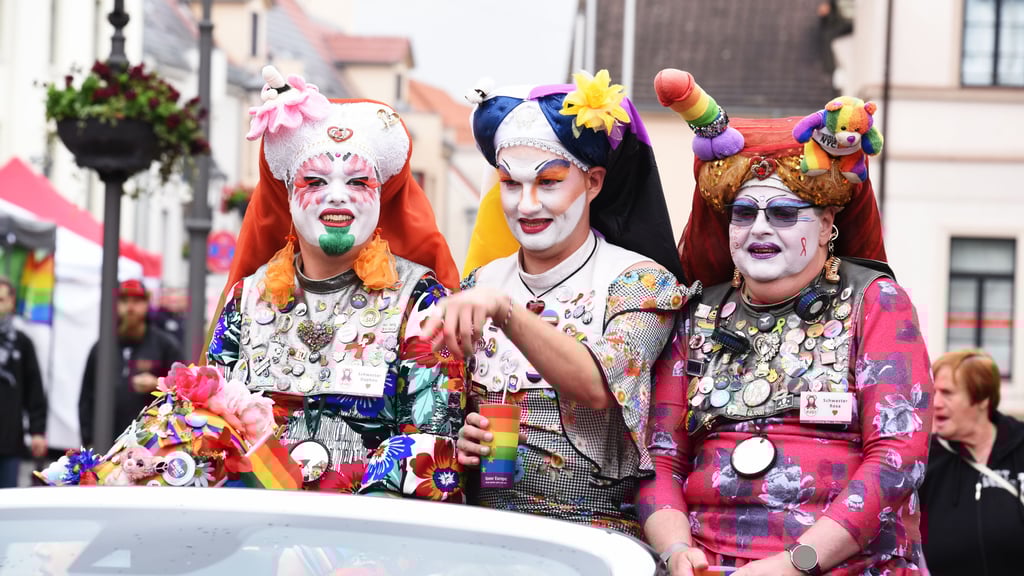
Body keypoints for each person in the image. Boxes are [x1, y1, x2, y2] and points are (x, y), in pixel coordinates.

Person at [639, 69, 932, 575]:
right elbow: (659, 458)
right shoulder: (695, 314)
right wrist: (676, 553)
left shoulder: (877, 303)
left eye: (782, 213)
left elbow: (897, 457)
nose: (758, 228)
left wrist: (795, 565)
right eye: (743, 212)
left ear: (826, 224)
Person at [436, 70, 690, 537]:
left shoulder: (640, 282)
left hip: (595, 536)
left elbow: (596, 385)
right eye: (511, 184)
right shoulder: (480, 283)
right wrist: (461, 438)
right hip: (486, 532)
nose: (526, 205)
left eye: (549, 182)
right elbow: (443, 407)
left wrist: (507, 313)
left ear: (593, 182)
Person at [206, 66, 464, 500]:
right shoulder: (246, 299)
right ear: (289, 195)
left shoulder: (422, 303)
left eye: (358, 182)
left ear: (379, 196)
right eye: (315, 181)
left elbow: (434, 443)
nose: (337, 195)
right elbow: (210, 427)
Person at [919, 349, 1024, 576]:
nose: (936, 402)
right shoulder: (923, 460)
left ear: (982, 398)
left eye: (947, 393)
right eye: (933, 392)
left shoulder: (1020, 447)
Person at [78, 278, 181, 448]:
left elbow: (183, 390)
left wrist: (158, 384)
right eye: (124, 301)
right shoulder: (102, 347)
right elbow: (86, 397)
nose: (130, 307)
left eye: (137, 301)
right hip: (106, 443)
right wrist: (88, 440)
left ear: (147, 304)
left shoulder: (165, 345)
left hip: (151, 444)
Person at [0, 277, 47, 487]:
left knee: (7, 500)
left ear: (12, 303)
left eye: (1, 300)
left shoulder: (22, 343)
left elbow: (34, 390)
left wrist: (37, 432)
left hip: (10, 440)